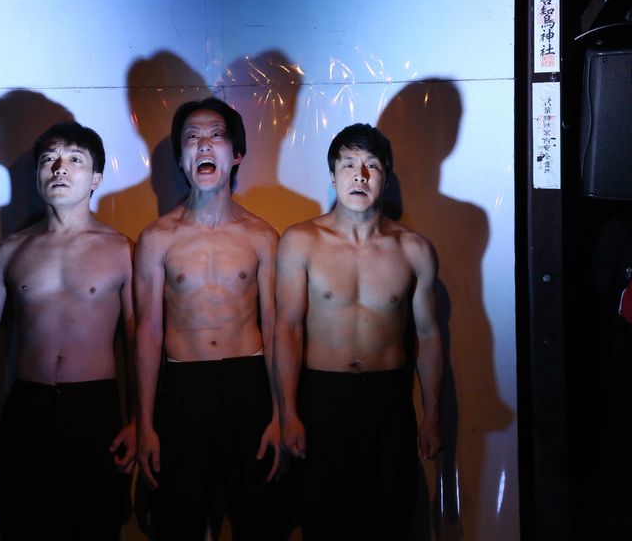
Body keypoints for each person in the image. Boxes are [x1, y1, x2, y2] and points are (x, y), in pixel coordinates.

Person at [0, 122, 136, 541]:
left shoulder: (122, 250)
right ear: (38, 176)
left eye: (74, 159)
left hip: (95, 409)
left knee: (96, 527)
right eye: (49, 160)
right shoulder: (11, 251)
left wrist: (140, 420)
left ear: (95, 179)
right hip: (27, 407)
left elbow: (137, 339)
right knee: (24, 525)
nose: (59, 168)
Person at [274, 123, 443, 539]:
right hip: (320, 398)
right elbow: (288, 329)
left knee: (388, 520)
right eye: (348, 164)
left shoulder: (414, 249)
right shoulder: (301, 241)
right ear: (333, 175)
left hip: (388, 401)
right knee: (322, 521)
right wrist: (288, 412)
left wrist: (432, 414)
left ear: (385, 176)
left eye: (371, 165)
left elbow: (428, 336)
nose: (360, 175)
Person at [134, 97, 285, 540]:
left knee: (257, 519)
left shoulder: (263, 236)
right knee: (178, 520)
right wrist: (145, 423)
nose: (204, 144)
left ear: (236, 154)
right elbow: (147, 333)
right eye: (192, 137)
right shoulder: (156, 238)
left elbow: (277, 329)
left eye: (216, 135)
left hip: (249, 384)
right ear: (181, 158)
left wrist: (281, 413)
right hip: (183, 387)